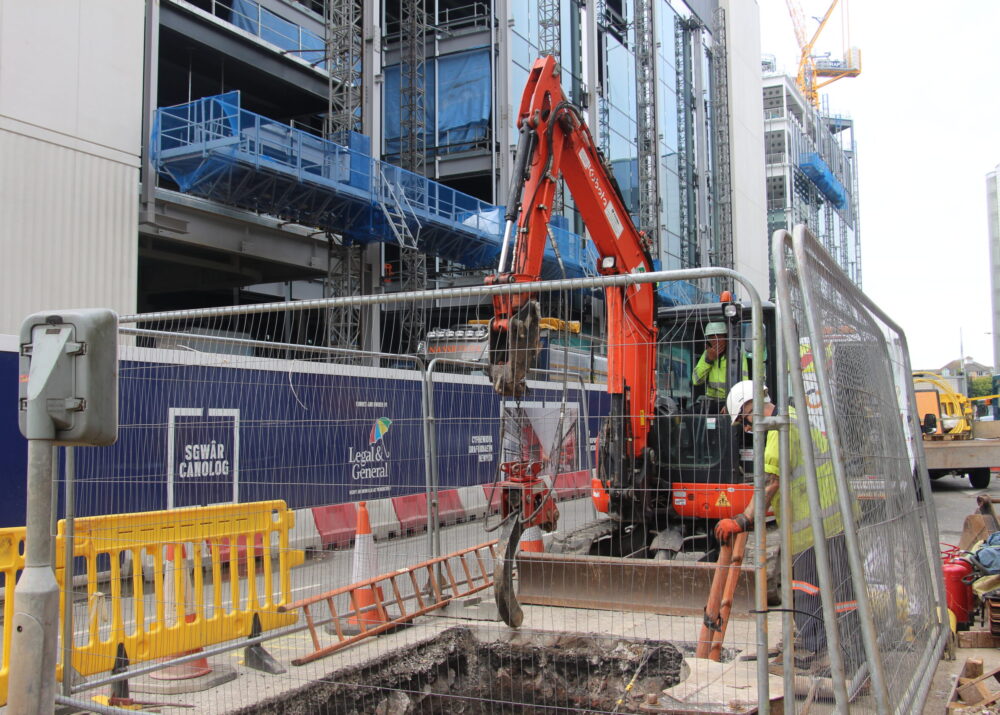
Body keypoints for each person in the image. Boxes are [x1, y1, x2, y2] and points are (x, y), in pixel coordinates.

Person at [713, 380, 857, 674]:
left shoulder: (779, 430)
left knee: (805, 590)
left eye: (745, 421)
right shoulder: (792, 417)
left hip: (815, 525)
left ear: (751, 408)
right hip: (833, 519)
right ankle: (848, 652)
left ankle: (819, 654)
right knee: (839, 589)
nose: (747, 428)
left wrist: (742, 520)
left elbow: (770, 484)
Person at [692, 322, 748, 403]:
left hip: (732, 400)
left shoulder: (738, 354)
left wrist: (733, 402)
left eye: (719, 336)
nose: (716, 340)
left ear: (726, 337)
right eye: (712, 337)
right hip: (711, 400)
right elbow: (696, 380)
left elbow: (744, 385)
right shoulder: (707, 354)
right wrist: (708, 360)